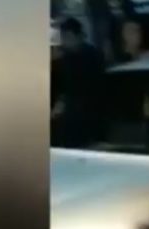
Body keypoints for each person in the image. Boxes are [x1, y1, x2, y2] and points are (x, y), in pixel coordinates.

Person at [52, 17, 105, 147]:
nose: (63, 42)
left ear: (75, 36)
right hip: (76, 117)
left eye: (65, 37)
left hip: (85, 118)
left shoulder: (89, 57)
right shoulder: (65, 58)